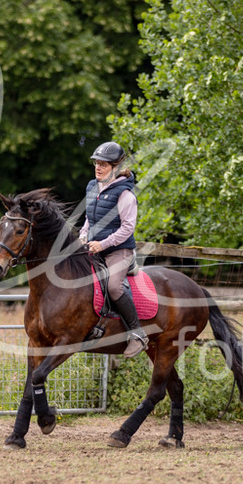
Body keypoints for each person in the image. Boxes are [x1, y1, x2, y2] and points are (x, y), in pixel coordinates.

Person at [78, 141, 148, 357]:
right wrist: (83, 235)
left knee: (114, 287)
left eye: (104, 165)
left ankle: (138, 335)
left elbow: (128, 228)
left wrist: (103, 243)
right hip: (94, 247)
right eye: (96, 164)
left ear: (116, 168)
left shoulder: (125, 194)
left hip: (119, 251)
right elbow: (90, 218)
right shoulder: (92, 186)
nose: (98, 168)